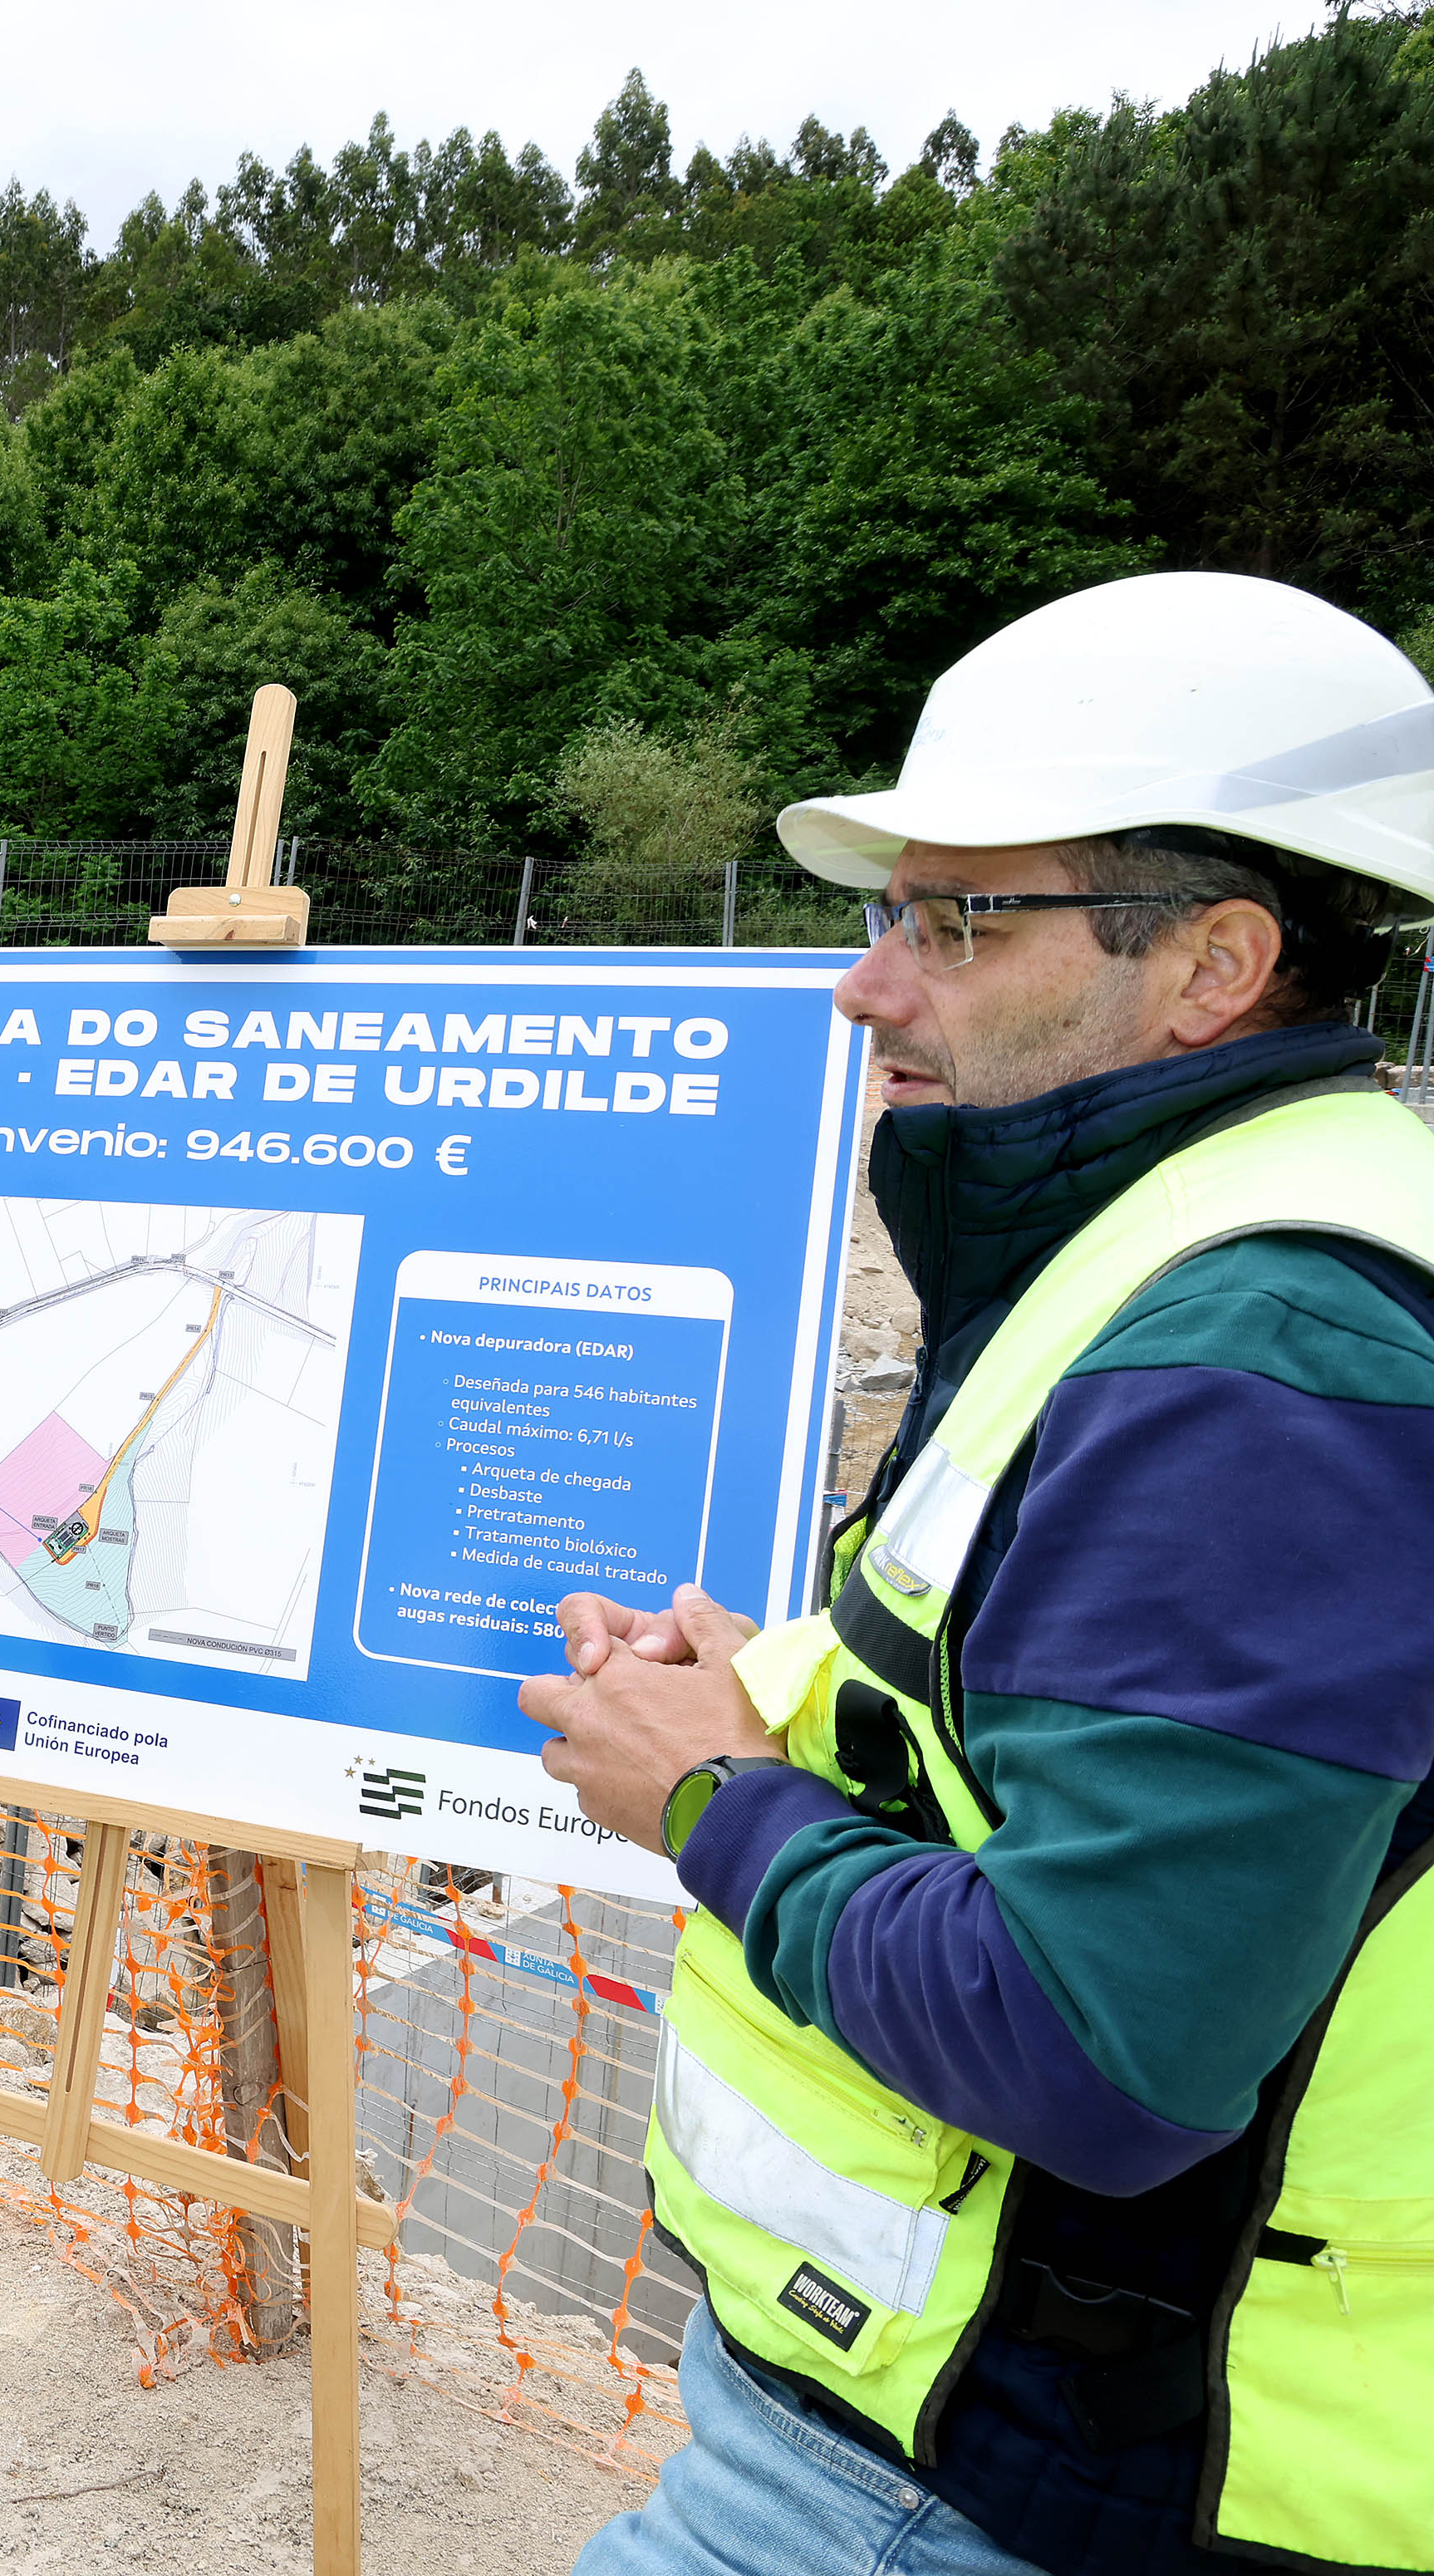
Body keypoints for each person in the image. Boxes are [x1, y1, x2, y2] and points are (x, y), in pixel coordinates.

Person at [528, 573, 1434, 2576]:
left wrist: (711, 1796)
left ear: (1212, 962)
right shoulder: (1213, 1229)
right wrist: (778, 1686)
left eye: (956, 921)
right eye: (888, 913)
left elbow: (1105, 2044)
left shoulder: (1260, 1356)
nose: (869, 986)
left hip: (1006, 2472)